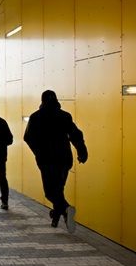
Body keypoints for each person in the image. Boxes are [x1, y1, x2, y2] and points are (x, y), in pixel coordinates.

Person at [23, 90, 88, 233]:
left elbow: (28, 137)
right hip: (64, 159)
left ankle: (65, 209)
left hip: (47, 160)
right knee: (58, 189)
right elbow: (75, 135)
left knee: (50, 193)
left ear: (42, 100)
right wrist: (82, 151)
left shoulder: (36, 117)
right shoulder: (65, 116)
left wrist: (38, 152)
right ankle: (56, 216)